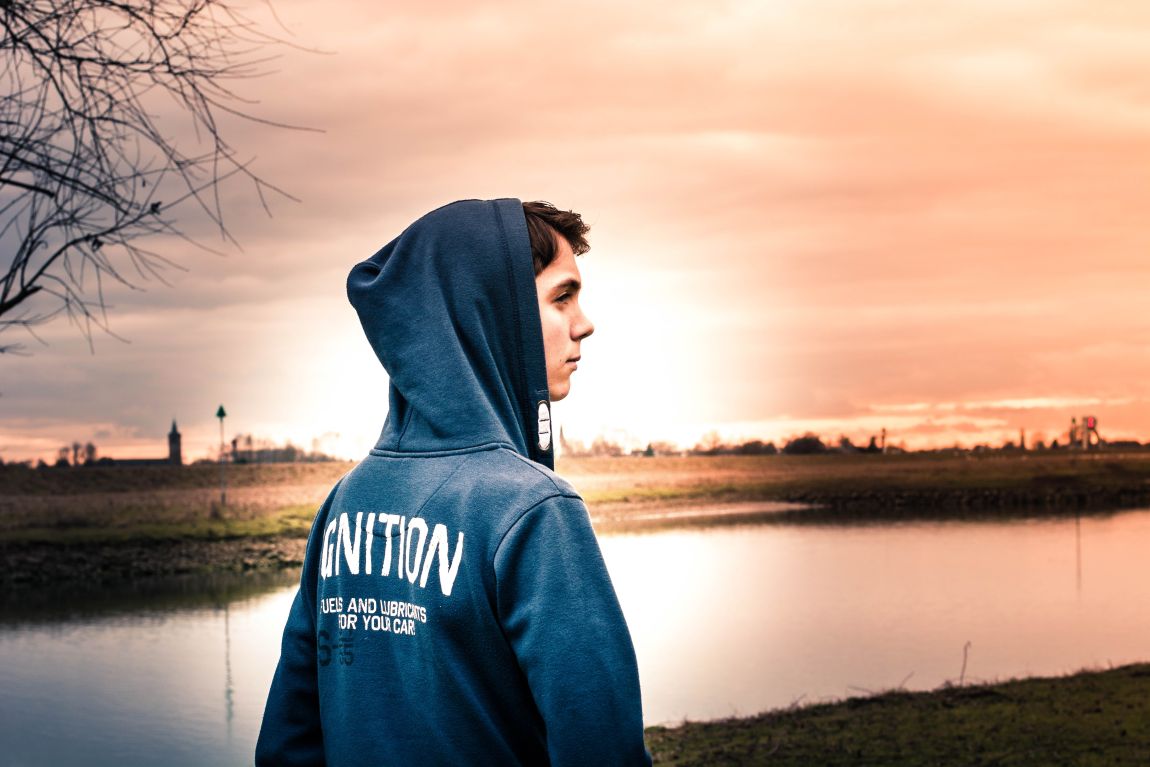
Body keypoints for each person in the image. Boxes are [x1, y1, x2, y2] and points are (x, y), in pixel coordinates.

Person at [255, 198, 650, 766]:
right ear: (493, 312)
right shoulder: (533, 509)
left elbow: (287, 743)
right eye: (562, 296)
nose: (584, 323)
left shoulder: (344, 503)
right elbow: (602, 750)